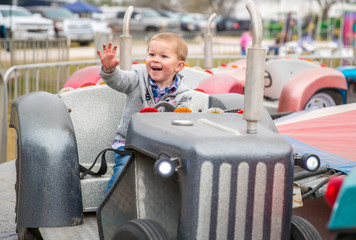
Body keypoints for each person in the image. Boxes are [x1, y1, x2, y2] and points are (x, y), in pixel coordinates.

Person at [97, 32, 192, 193]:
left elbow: (180, 125)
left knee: (175, 175)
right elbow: (119, 81)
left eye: (163, 56)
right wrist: (110, 69)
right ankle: (111, 212)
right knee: (123, 173)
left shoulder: (183, 94)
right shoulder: (137, 78)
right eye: (151, 54)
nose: (155, 59)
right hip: (129, 145)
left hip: (161, 149)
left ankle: (162, 211)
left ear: (179, 66)